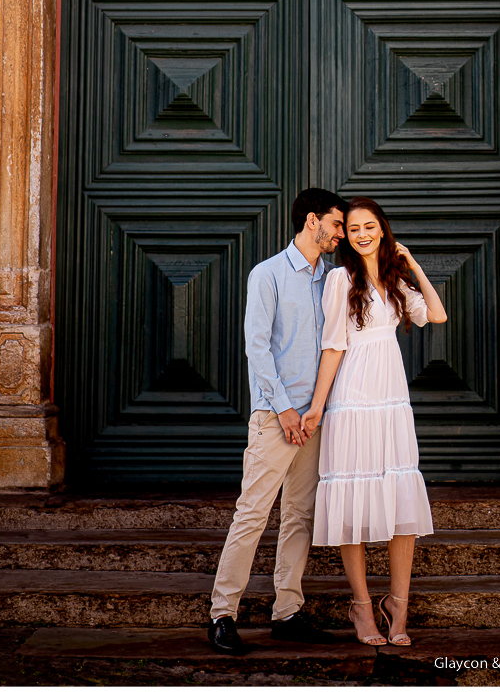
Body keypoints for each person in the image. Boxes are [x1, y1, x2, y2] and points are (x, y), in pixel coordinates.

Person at [300, 197, 447, 648]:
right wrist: (317, 406)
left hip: (391, 402)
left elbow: (437, 315)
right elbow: (333, 345)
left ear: (383, 230)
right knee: (354, 500)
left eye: (370, 226)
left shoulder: (397, 280)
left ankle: (398, 606)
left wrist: (412, 262)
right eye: (354, 227)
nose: (361, 233)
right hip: (352, 399)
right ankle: (362, 608)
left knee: (400, 502)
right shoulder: (340, 279)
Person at [208, 188, 348, 655]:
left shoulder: (332, 279)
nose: (342, 233)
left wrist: (314, 411)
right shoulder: (266, 274)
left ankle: (287, 613)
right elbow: (257, 346)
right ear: (313, 221)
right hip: (276, 416)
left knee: (299, 517)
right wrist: (286, 409)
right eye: (337, 223)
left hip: (315, 419)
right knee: (252, 514)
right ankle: (222, 615)